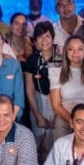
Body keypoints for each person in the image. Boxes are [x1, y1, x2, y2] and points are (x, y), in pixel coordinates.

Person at [22, 21, 62, 157]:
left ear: (53, 37)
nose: (44, 40)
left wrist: (59, 113)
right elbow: (29, 89)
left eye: (47, 36)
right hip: (38, 102)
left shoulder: (61, 56)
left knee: (57, 144)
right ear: (35, 40)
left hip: (59, 102)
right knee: (38, 145)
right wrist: (38, 115)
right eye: (40, 37)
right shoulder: (32, 59)